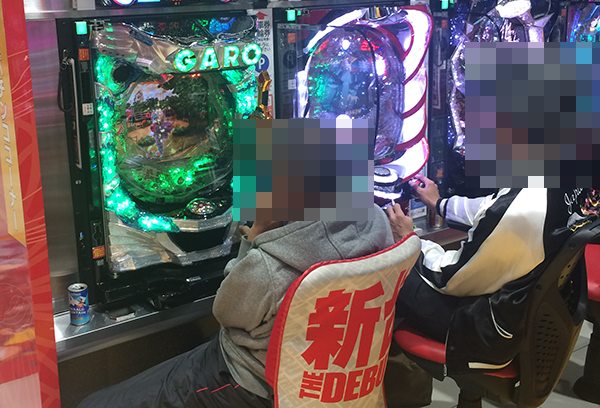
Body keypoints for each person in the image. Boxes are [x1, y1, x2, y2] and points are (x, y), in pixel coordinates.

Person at [77, 208, 395, 408]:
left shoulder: (270, 266)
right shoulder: (378, 223)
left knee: (93, 404)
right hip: (338, 379)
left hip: (249, 383)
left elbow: (225, 312)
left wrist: (255, 237)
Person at [386, 176, 600, 374]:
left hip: (488, 328)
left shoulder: (522, 208)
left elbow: (450, 278)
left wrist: (409, 239)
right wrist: (440, 204)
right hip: (530, 307)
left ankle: (393, 378)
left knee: (388, 268)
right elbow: (495, 207)